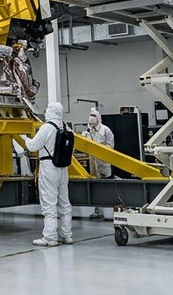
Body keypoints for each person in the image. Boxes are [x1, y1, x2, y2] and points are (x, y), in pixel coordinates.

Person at [24, 102, 73, 247]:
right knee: (64, 202)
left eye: (47, 109)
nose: (45, 112)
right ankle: (67, 235)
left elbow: (33, 146)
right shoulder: (65, 127)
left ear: (51, 112)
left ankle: (50, 237)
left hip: (49, 167)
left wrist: (25, 138)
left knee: (49, 202)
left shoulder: (47, 128)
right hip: (63, 168)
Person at [81, 107, 115, 219]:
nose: (91, 118)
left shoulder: (105, 130)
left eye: (94, 116)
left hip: (103, 162)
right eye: (90, 115)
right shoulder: (88, 131)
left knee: (105, 187)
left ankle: (111, 210)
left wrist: (100, 150)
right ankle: (97, 210)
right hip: (93, 162)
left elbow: (110, 146)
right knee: (95, 188)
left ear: (98, 118)